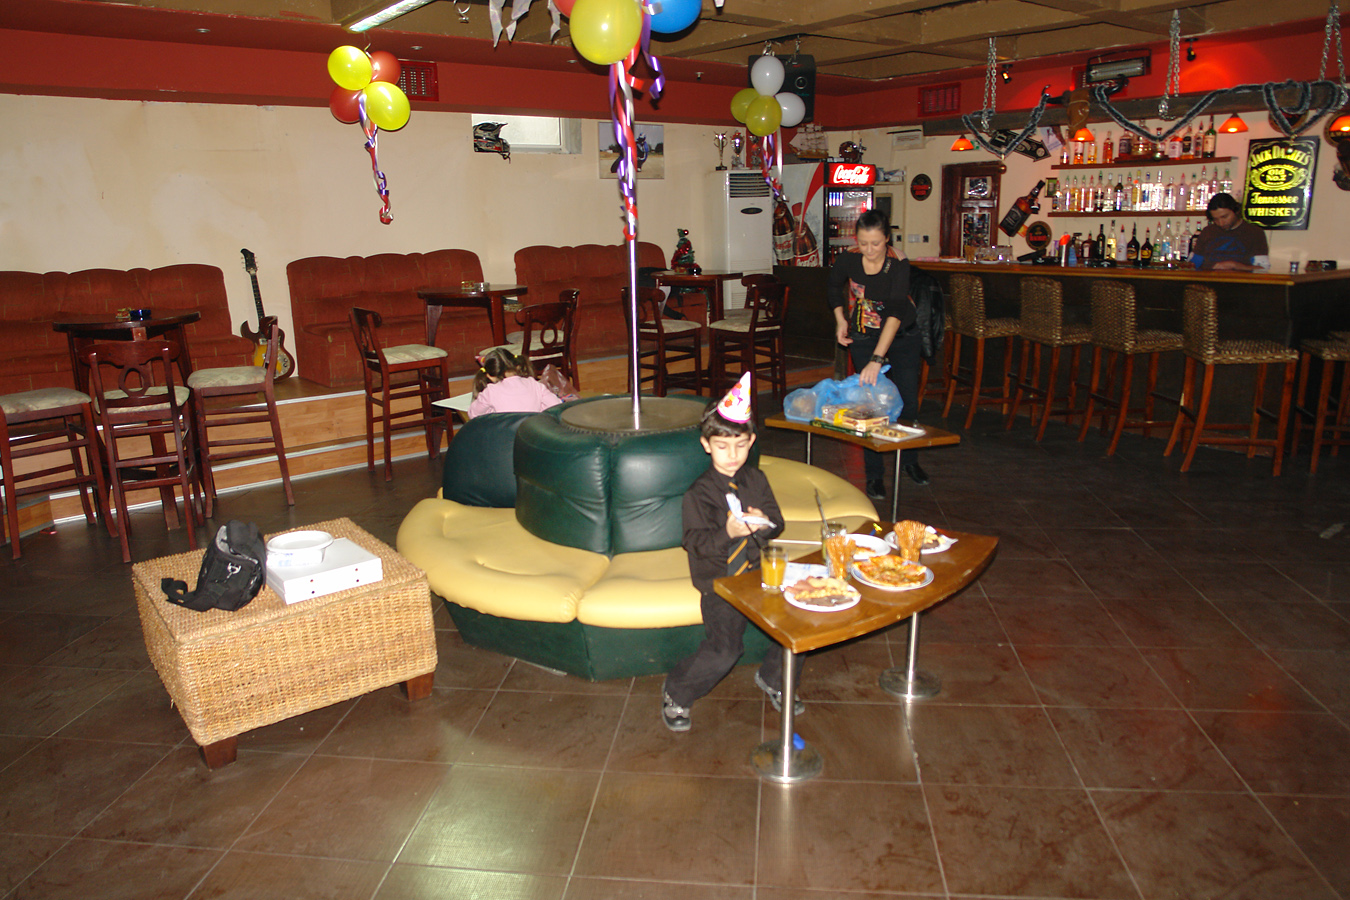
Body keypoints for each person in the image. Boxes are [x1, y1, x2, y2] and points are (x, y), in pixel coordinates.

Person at [662, 373, 795, 733]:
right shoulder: (699, 494)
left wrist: (764, 522)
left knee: (795, 627)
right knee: (725, 650)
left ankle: (774, 678)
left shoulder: (757, 480)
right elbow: (695, 542)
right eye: (722, 446)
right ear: (706, 445)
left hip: (759, 575)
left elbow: (778, 523)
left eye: (740, 445)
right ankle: (677, 691)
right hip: (719, 582)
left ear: (751, 441)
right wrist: (728, 533)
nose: (732, 455)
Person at [828, 209, 923, 497]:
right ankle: (874, 474)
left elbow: (895, 312)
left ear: (887, 239)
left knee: (907, 400)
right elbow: (833, 286)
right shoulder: (849, 259)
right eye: (863, 243)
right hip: (864, 335)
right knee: (870, 405)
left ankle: (909, 460)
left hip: (902, 335)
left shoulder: (898, 264)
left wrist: (877, 360)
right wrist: (841, 320)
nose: (869, 250)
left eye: (876, 244)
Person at [467, 347, 562, 418]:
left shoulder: (490, 391)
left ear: (489, 376)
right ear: (517, 365)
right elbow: (556, 406)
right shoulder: (534, 384)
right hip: (531, 435)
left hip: (503, 437)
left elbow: (473, 414)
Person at [1190, 193, 1270, 271]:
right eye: (1215, 219)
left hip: (1239, 279)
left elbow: (1262, 269)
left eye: (1224, 217)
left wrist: (1235, 266)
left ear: (1236, 211)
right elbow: (1193, 264)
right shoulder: (1207, 231)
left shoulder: (1254, 232)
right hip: (1207, 279)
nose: (1221, 223)